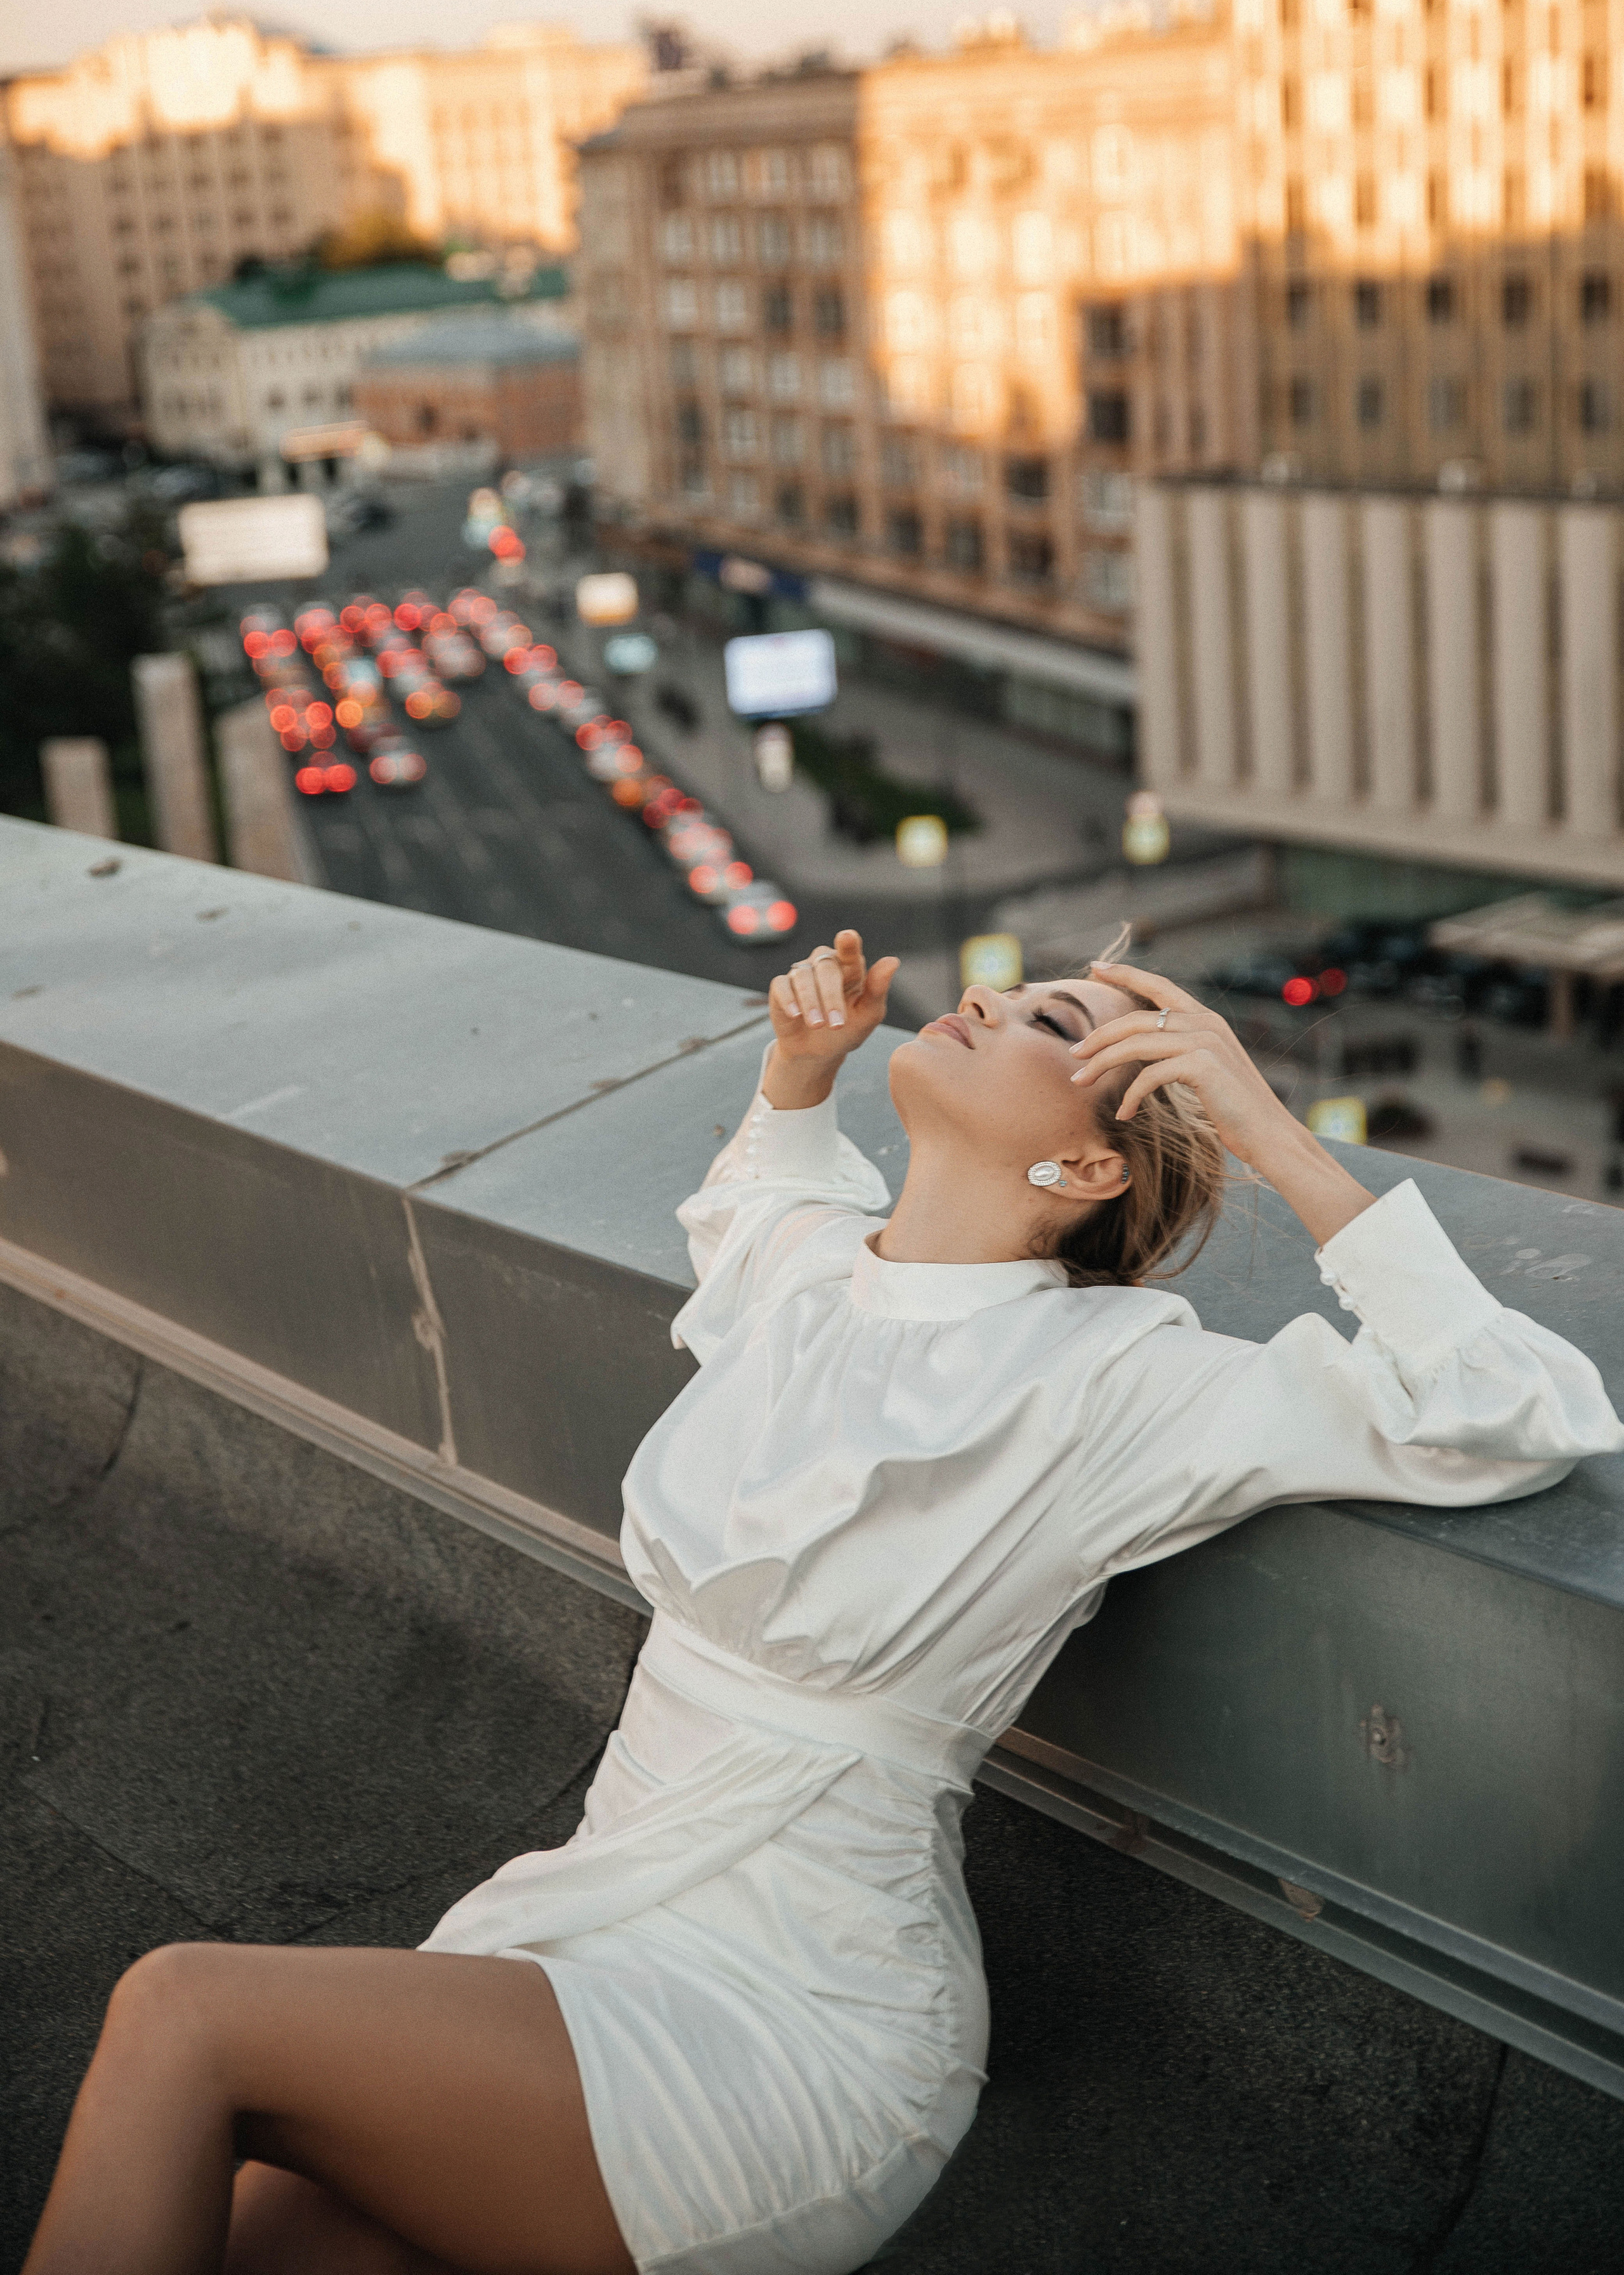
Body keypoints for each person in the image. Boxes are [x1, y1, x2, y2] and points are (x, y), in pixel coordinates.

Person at [26, 932, 1621, 2275]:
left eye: (1053, 1023)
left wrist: (1267, 1131)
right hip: (592, 1917)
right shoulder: (811, 1284)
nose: (991, 998)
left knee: (185, 2017)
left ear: (1081, 1164)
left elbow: (1509, 1412)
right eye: (1020, 988)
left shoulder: (1119, 1381)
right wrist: (800, 1066)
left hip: (795, 2025)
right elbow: (755, 1202)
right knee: (234, 2229)